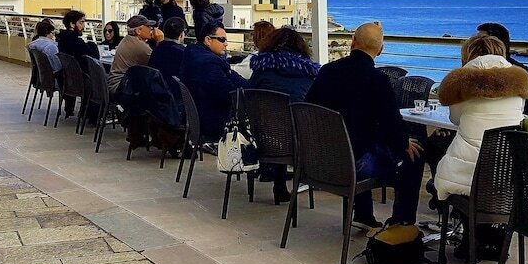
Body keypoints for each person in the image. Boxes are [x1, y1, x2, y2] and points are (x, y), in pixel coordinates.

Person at [305, 21, 425, 228]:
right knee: (414, 155)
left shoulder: (327, 71)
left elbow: (308, 108)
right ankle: (401, 222)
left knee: (361, 142)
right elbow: (391, 122)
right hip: (356, 165)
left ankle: (364, 215)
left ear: (353, 42)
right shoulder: (377, 80)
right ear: (380, 50)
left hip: (321, 160)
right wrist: (404, 142)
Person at [435, 34, 528, 261]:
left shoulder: (461, 83)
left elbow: (455, 119)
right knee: (480, 176)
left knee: (451, 169)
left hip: (471, 174)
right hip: (507, 174)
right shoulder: (518, 82)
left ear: (468, 55)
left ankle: (470, 239)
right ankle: (492, 238)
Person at [247, 27, 321, 201]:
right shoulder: (309, 73)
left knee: (276, 124)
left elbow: (249, 95)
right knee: (290, 122)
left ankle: (278, 182)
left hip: (263, 138)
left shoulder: (262, 69)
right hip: (300, 140)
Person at [179, 22, 248, 139]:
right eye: (222, 39)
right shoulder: (209, 63)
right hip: (214, 122)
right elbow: (229, 94)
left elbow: (231, 79)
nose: (226, 44)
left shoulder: (193, 54)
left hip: (197, 117)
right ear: (208, 40)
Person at [476, 22, 528, 118]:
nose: (475, 43)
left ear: (497, 44)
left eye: (482, 40)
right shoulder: (472, 71)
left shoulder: (523, 73)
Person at [107, 15, 163, 93]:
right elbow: (159, 64)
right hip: (121, 89)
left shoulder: (127, 39)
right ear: (138, 31)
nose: (151, 29)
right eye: (148, 27)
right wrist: (160, 41)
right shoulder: (140, 47)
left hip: (116, 84)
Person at [148, 17, 187, 85]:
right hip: (175, 89)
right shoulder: (184, 53)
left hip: (155, 88)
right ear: (181, 35)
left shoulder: (156, 50)